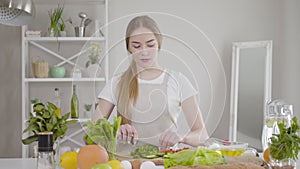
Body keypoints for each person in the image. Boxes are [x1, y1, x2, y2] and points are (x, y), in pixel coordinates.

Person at [93, 15, 208, 150]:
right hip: (128, 163)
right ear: (129, 48)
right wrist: (115, 132)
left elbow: (202, 135)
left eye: (150, 44)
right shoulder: (117, 83)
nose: (144, 52)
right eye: (137, 46)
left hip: (167, 163)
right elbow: (93, 131)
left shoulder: (179, 81)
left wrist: (182, 137)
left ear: (159, 44)